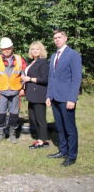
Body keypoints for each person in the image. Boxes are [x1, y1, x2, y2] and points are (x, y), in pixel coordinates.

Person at [46, 29, 82, 167]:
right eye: (55, 37)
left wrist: (72, 99)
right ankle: (63, 151)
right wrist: (49, 95)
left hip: (66, 98)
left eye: (59, 37)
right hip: (55, 97)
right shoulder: (54, 55)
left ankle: (72, 156)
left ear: (65, 38)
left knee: (70, 129)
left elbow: (76, 78)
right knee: (60, 127)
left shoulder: (73, 55)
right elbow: (51, 77)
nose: (57, 40)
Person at [0, 37, 26, 144]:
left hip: (15, 91)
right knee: (1, 113)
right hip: (1, 92)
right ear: (1, 49)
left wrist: (23, 88)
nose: (7, 50)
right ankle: (1, 134)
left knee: (14, 113)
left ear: (12, 47)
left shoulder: (19, 59)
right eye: (4, 48)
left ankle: (12, 134)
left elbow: (24, 75)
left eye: (9, 48)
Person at [21, 41, 49, 149]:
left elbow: (45, 79)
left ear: (41, 50)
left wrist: (30, 79)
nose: (35, 51)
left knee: (40, 118)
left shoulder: (43, 62)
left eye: (37, 49)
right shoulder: (32, 62)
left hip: (39, 94)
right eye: (33, 49)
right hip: (31, 94)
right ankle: (41, 138)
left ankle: (43, 141)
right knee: (32, 118)